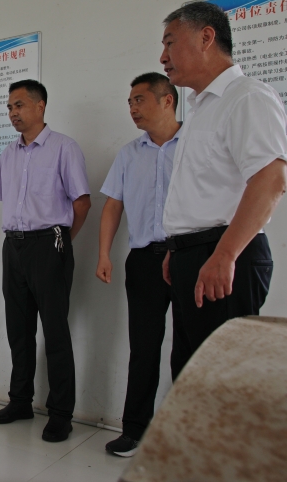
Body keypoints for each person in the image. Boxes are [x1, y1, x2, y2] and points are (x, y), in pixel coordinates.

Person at [159, 1, 287, 377]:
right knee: (191, 377)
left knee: (221, 380)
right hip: (194, 255)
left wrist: (224, 254)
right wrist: (178, 246)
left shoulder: (247, 96)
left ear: (206, 37)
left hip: (224, 254)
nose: (163, 56)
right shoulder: (202, 108)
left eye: (170, 42)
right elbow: (204, 188)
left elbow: (271, 180)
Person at [0, 80, 91, 442]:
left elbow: (82, 203)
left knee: (55, 331)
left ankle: (61, 413)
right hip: (13, 247)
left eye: (19, 105)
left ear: (40, 106)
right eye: (9, 107)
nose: (13, 113)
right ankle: (20, 401)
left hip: (50, 244)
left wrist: (61, 242)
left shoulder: (64, 148)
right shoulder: (8, 154)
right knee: (19, 330)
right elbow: (5, 199)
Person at [96, 72, 186, 457]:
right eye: (129, 102)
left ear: (167, 100)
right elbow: (112, 205)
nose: (132, 108)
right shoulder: (129, 154)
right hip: (144, 261)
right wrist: (104, 253)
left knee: (189, 349)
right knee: (144, 347)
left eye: (139, 100)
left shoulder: (195, 145)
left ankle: (186, 437)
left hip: (188, 256)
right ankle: (134, 431)